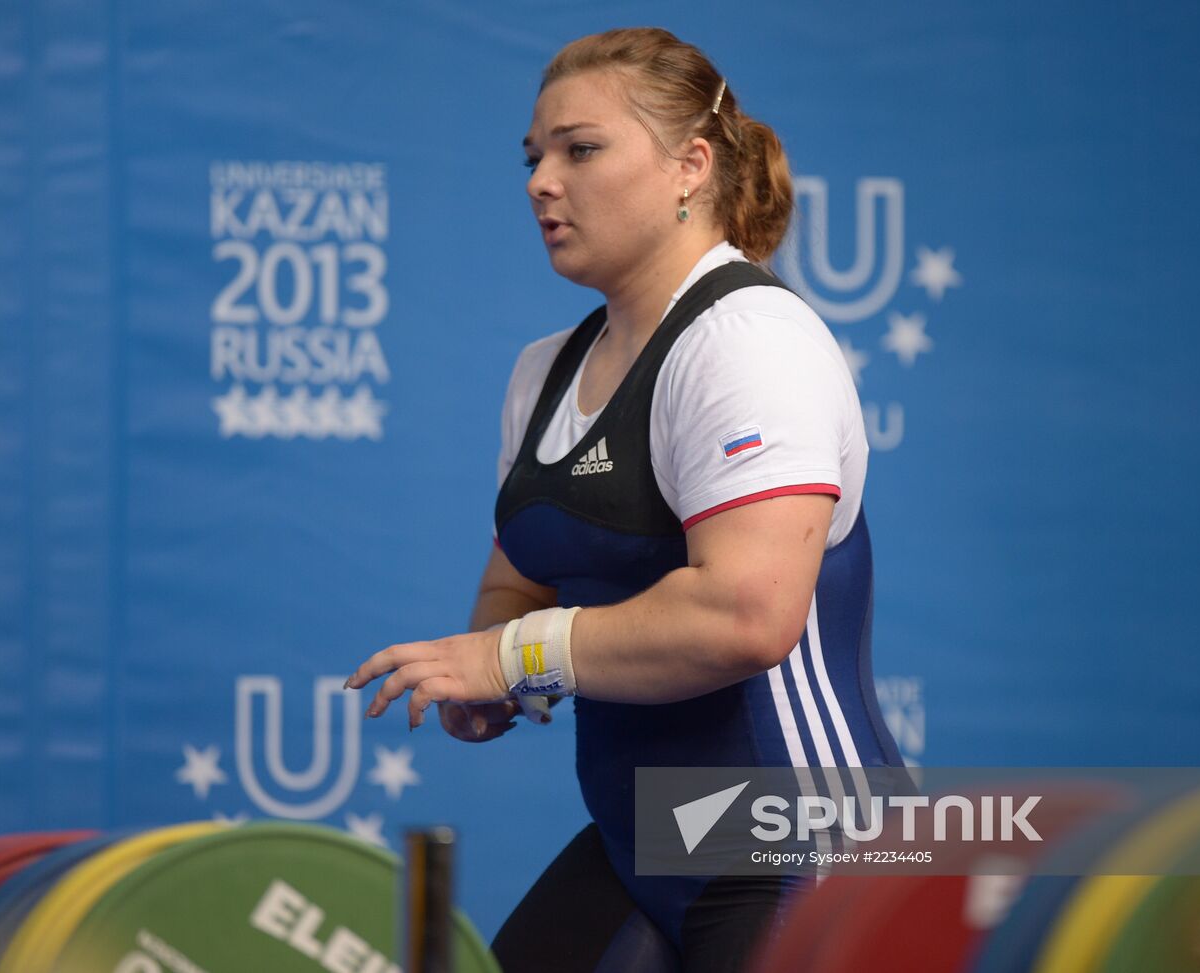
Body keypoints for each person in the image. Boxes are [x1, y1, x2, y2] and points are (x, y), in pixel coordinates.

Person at [345, 27, 904, 973]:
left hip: (799, 840)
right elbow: (518, 583)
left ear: (691, 165)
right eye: (534, 157)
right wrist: (486, 679)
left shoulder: (749, 340)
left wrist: (510, 657)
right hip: (645, 839)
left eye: (581, 148)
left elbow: (746, 615)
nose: (540, 180)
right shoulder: (543, 372)